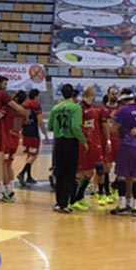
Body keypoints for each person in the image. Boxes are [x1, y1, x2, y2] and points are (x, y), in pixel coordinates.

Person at [48, 83, 87, 214]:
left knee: (60, 173)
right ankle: (64, 204)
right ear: (72, 94)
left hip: (58, 142)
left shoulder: (56, 108)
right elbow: (76, 126)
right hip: (70, 142)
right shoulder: (76, 108)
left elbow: (50, 127)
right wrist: (83, 141)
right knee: (70, 174)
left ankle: (59, 203)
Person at [70, 85, 105, 210]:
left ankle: (77, 197)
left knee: (89, 171)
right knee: (83, 172)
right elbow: (76, 126)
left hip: (92, 143)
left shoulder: (95, 109)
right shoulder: (79, 108)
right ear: (92, 95)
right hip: (85, 144)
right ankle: (75, 198)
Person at [15, 88, 46, 187]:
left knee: (29, 154)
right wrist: (45, 133)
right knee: (34, 155)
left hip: (25, 132)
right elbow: (40, 121)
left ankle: (29, 176)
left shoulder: (24, 105)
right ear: (36, 96)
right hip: (33, 132)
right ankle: (22, 173)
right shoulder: (36, 105)